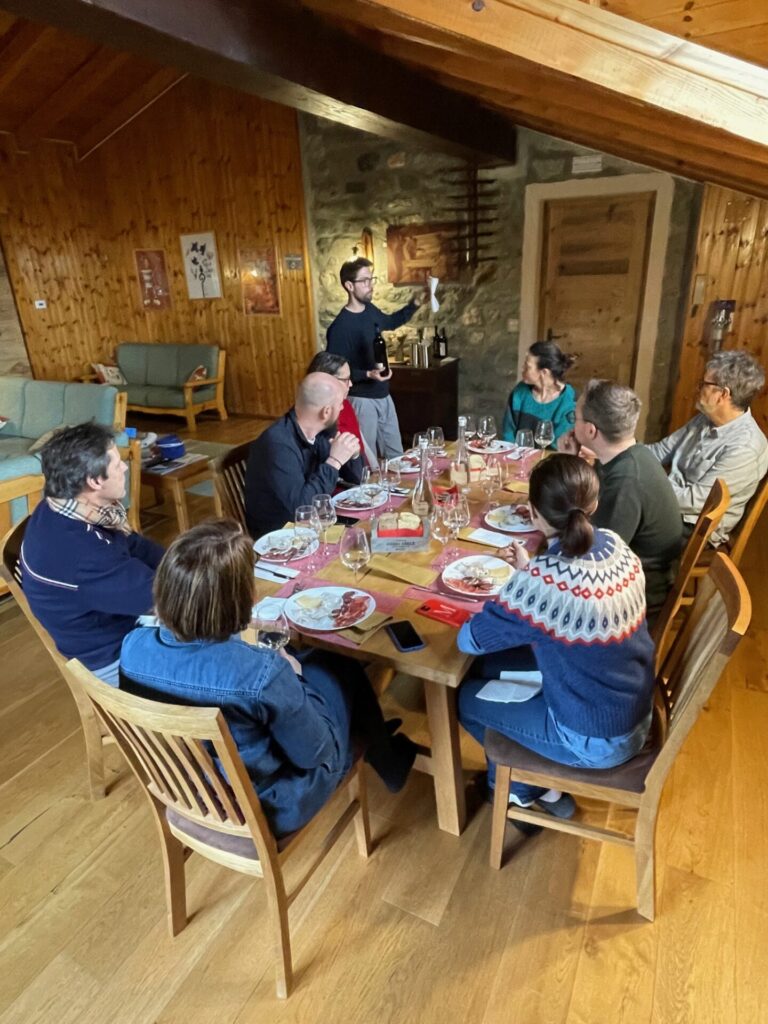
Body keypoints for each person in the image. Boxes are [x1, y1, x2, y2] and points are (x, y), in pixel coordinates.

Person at [119, 520, 417, 838]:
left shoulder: (132, 647)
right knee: (337, 667)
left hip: (191, 789)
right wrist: (294, 676)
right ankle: (381, 749)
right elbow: (318, 753)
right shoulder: (260, 673)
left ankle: (383, 749)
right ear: (237, 600)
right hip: (273, 804)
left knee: (315, 667)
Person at [457, 454, 655, 823]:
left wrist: (525, 582)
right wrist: (531, 575)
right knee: (490, 668)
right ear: (594, 504)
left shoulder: (545, 583)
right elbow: (570, 598)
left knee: (466, 698)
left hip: (593, 739)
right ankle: (542, 787)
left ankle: (519, 789)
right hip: (629, 710)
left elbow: (468, 640)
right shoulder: (615, 545)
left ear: (532, 513)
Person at [20, 423, 164, 685]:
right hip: (116, 659)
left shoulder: (63, 505)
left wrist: (183, 561)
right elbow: (164, 598)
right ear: (95, 481)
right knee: (235, 661)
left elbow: (135, 546)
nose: (124, 468)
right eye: (117, 463)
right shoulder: (82, 553)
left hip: (119, 623)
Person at [558, 379, 682, 615]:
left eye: (575, 419)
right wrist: (574, 462)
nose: (573, 427)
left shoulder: (627, 481)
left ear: (591, 430)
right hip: (626, 571)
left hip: (632, 592)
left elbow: (592, 556)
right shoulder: (631, 455)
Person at [646, 350, 767, 546]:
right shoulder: (705, 419)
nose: (698, 388)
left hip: (695, 527)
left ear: (723, 394)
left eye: (704, 384)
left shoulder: (745, 448)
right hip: (671, 504)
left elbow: (696, 501)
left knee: (620, 515)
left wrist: (646, 489)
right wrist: (619, 450)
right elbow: (660, 451)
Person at [326, 257, 424, 466]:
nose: (370, 286)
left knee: (397, 456)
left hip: (383, 394)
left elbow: (390, 321)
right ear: (349, 286)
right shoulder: (340, 328)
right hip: (361, 400)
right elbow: (333, 371)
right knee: (368, 461)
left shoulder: (370, 311)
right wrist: (367, 374)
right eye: (365, 281)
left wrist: (413, 305)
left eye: (371, 279)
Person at [244, 372, 363, 539]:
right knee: (359, 545)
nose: (343, 408)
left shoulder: (320, 432)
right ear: (326, 412)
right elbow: (302, 509)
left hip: (313, 522)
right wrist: (334, 461)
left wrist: (352, 454)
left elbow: (356, 479)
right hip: (280, 535)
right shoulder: (278, 444)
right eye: (340, 404)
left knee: (368, 530)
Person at [501, 340, 576, 446]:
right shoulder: (519, 392)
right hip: (517, 458)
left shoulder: (567, 401)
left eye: (527, 366)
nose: (522, 369)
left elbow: (560, 447)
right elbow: (508, 434)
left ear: (544, 372)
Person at [306, 350, 374, 467]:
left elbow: (359, 447)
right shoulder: (314, 415)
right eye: (346, 380)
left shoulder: (345, 404)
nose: (351, 384)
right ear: (328, 381)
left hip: (357, 471)